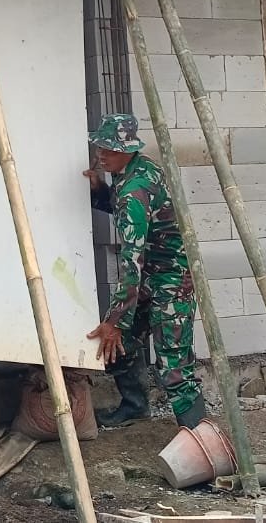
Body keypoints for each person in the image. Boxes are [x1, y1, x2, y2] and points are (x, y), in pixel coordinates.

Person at [83, 113, 206, 430]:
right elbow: (129, 212)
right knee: (121, 343)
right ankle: (135, 407)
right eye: (100, 147)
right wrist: (99, 191)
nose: (101, 155)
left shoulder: (134, 189)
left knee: (173, 365)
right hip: (150, 277)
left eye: (108, 150)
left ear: (126, 150)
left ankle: (200, 438)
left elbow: (131, 265)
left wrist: (114, 320)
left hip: (170, 282)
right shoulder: (138, 169)